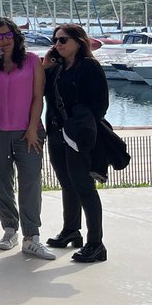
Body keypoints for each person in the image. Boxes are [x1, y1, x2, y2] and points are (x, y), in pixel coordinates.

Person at [0, 17, 54, 260]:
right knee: (0, 183)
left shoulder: (32, 60)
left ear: (16, 36)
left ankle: (31, 237)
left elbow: (37, 97)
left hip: (27, 132)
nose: (4, 40)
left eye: (8, 35)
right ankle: (9, 229)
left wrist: (32, 128)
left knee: (31, 182)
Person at [43, 24, 110, 263]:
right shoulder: (58, 67)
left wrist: (81, 127)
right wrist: (45, 67)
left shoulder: (89, 66)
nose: (57, 44)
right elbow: (42, 92)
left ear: (79, 42)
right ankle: (71, 230)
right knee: (66, 183)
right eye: (55, 40)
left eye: (63, 40)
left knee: (84, 187)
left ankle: (96, 244)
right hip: (56, 133)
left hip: (78, 135)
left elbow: (100, 104)